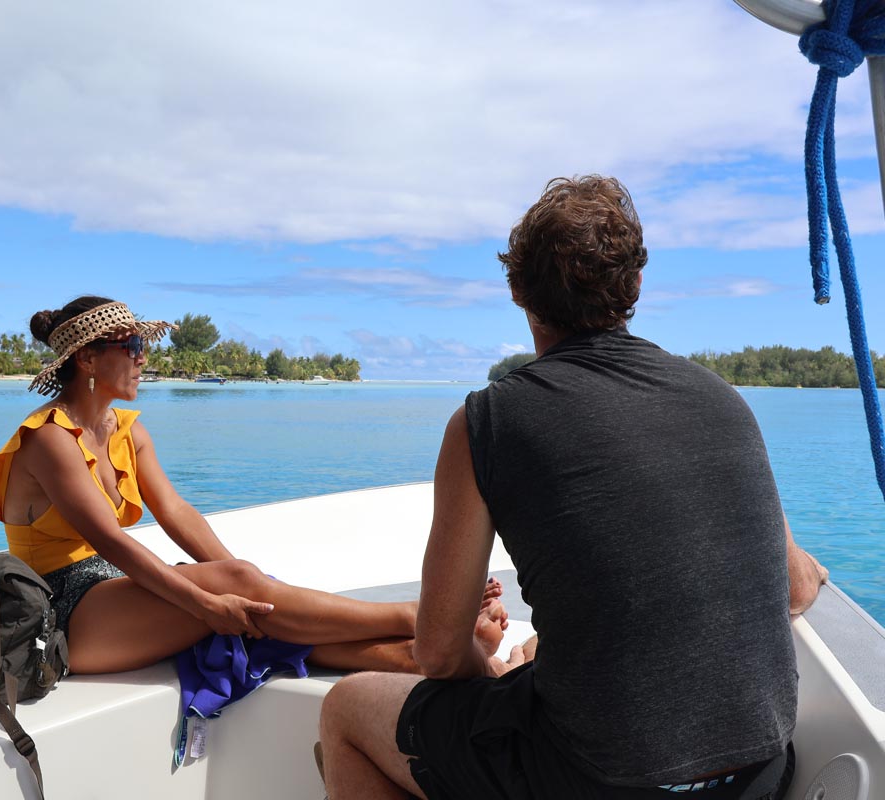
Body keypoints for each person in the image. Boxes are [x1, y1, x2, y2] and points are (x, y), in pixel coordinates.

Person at [317, 176, 829, 800]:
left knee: (346, 710)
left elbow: (441, 653)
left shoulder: (489, 422)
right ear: (636, 284)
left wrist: (494, 677)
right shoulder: (724, 400)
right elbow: (796, 585)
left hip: (596, 783)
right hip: (760, 778)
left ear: (517, 292)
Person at [0, 295, 511, 675]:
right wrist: (211, 597)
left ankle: (432, 657)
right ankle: (416, 616)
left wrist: (243, 583)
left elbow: (176, 513)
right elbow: (110, 541)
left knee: (270, 623)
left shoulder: (127, 430)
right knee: (238, 592)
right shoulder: (49, 439)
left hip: (113, 594)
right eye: (134, 345)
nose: (146, 357)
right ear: (88, 358)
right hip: (61, 610)